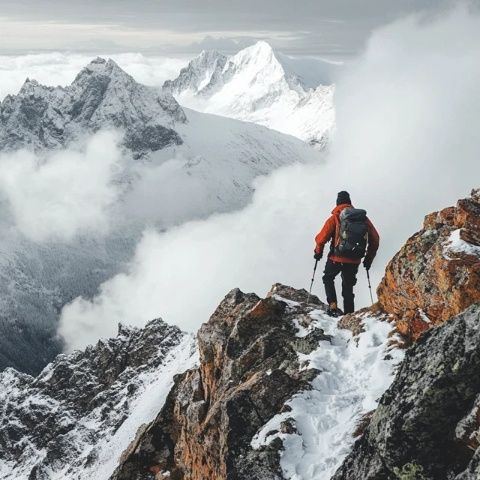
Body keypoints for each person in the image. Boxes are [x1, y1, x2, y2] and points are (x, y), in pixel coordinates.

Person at [313, 191, 379, 316]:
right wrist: (368, 259)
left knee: (328, 278)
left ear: (337, 202)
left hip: (336, 258)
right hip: (354, 260)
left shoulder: (335, 217)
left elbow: (321, 238)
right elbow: (375, 239)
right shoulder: (363, 219)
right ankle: (349, 314)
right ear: (349, 202)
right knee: (348, 286)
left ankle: (333, 306)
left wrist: (318, 252)